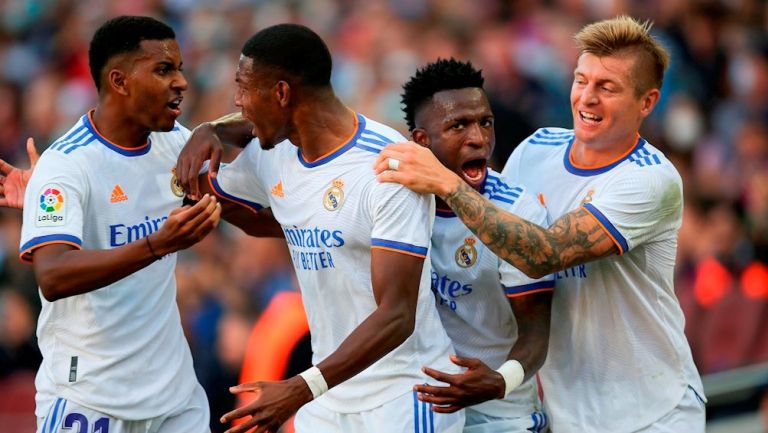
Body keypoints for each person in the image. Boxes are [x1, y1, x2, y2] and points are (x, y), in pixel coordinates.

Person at [373, 16, 706, 432]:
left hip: (653, 411)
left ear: (647, 102)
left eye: (608, 87)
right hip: (567, 413)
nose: (587, 98)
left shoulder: (650, 179)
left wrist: (444, 182)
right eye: (581, 80)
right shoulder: (536, 150)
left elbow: (542, 254)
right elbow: (497, 237)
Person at [177, 24, 462, 433]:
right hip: (330, 397)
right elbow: (256, 217)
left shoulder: (388, 167)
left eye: (243, 88)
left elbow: (397, 315)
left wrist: (298, 389)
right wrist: (209, 132)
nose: (237, 102)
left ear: (281, 93)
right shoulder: (272, 154)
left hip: (404, 394)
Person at [9, 16, 224, 433]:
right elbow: (52, 276)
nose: (180, 81)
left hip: (174, 398)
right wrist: (155, 245)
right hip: (90, 399)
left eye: (179, 67)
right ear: (120, 81)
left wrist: (216, 128)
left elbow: (254, 198)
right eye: (163, 69)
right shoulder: (66, 165)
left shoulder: (177, 143)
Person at [400, 58, 552, 432]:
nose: (479, 138)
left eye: (485, 122)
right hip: (421, 408)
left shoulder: (517, 211)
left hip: (503, 409)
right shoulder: (397, 204)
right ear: (422, 141)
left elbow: (536, 331)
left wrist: (501, 381)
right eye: (458, 125)